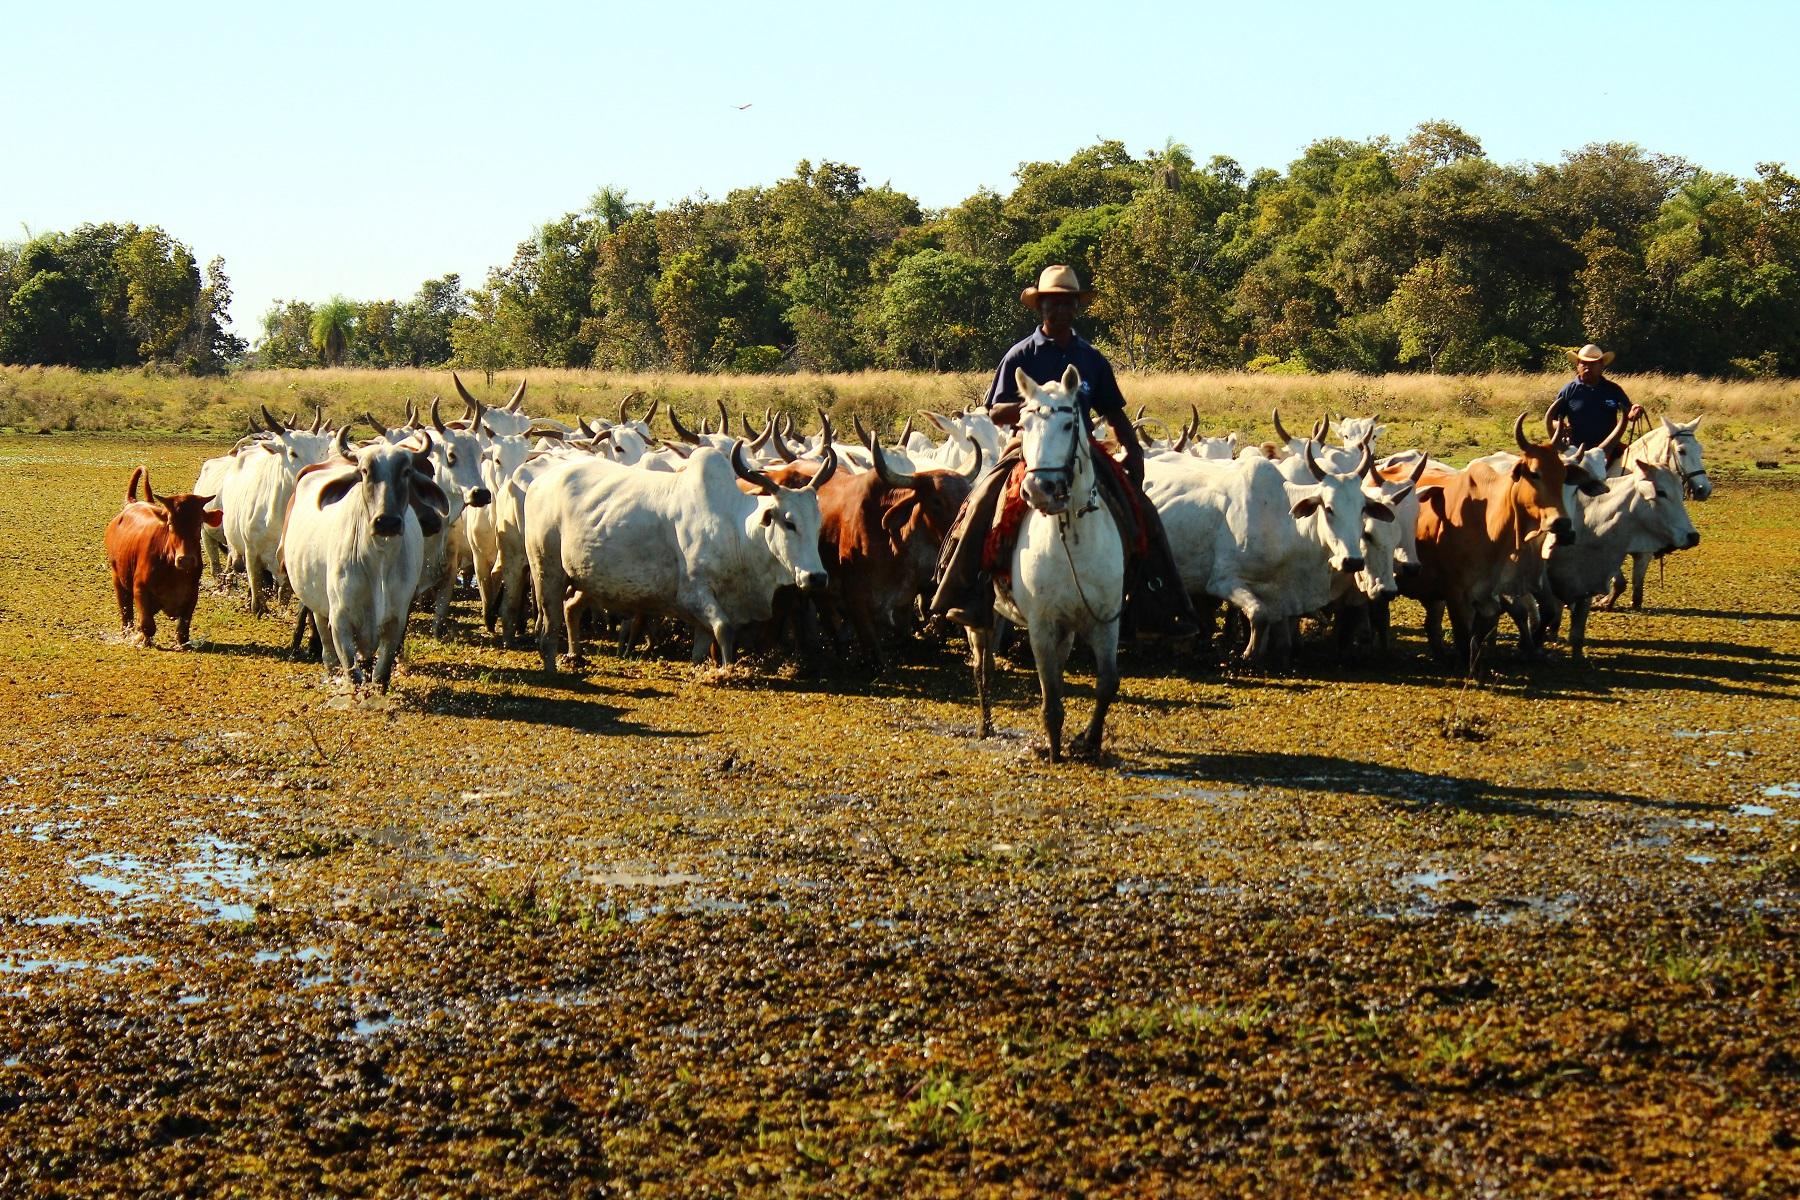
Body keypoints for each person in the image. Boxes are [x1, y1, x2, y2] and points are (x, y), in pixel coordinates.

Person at [929, 265, 1197, 636]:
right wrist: (1028, 407)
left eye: (1067, 303)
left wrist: (1133, 452)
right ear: (1040, 308)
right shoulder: (1021, 355)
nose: (1060, 310)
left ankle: (1159, 604)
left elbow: (1112, 410)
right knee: (982, 502)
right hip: (1028, 445)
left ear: (1076, 308)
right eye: (1052, 304)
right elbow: (994, 411)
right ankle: (966, 594)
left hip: (1080, 446)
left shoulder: (1091, 358)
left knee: (1140, 509)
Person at [1545, 343, 1644, 454]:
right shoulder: (1569, 390)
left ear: (1601, 365)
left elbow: (1629, 412)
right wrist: (1558, 425)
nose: (1587, 367)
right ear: (1578, 365)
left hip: (1608, 451)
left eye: (1593, 363)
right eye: (1584, 363)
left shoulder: (1613, 389)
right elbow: (1552, 419)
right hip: (1576, 452)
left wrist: (1635, 410)